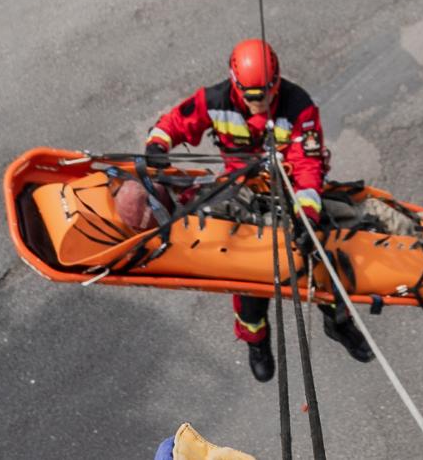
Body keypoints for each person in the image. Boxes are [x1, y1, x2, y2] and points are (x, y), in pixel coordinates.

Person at [144, 38, 374, 381]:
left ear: (276, 83)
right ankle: (257, 341)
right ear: (236, 86)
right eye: (251, 97)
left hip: (290, 192)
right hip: (239, 192)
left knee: (321, 264)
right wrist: (157, 146)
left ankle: (338, 324)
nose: (259, 103)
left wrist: (306, 216)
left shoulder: (299, 108)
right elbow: (174, 123)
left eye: (266, 94)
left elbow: (308, 167)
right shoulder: (216, 100)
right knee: (248, 277)